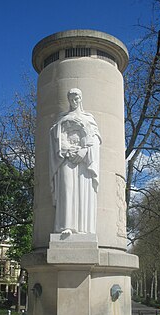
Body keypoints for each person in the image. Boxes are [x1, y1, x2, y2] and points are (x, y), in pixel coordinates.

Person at [49, 88, 102, 235]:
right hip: (66, 158)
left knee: (83, 192)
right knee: (67, 190)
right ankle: (66, 226)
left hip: (84, 160)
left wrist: (85, 151)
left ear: (81, 98)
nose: (74, 101)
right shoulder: (63, 117)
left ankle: (83, 228)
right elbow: (55, 135)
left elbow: (96, 138)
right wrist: (66, 148)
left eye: (76, 98)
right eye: (71, 98)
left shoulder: (88, 118)